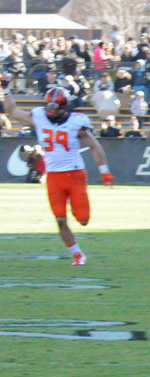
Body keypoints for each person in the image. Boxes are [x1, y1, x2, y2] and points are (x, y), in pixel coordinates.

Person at [1, 87, 113, 265]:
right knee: (60, 220)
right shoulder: (39, 116)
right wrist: (6, 90)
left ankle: (76, 212)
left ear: (64, 108)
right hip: (53, 176)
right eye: (49, 108)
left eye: (55, 109)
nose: (50, 112)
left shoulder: (77, 122)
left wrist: (104, 171)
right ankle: (77, 254)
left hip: (75, 175)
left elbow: (94, 145)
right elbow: (13, 111)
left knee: (83, 220)